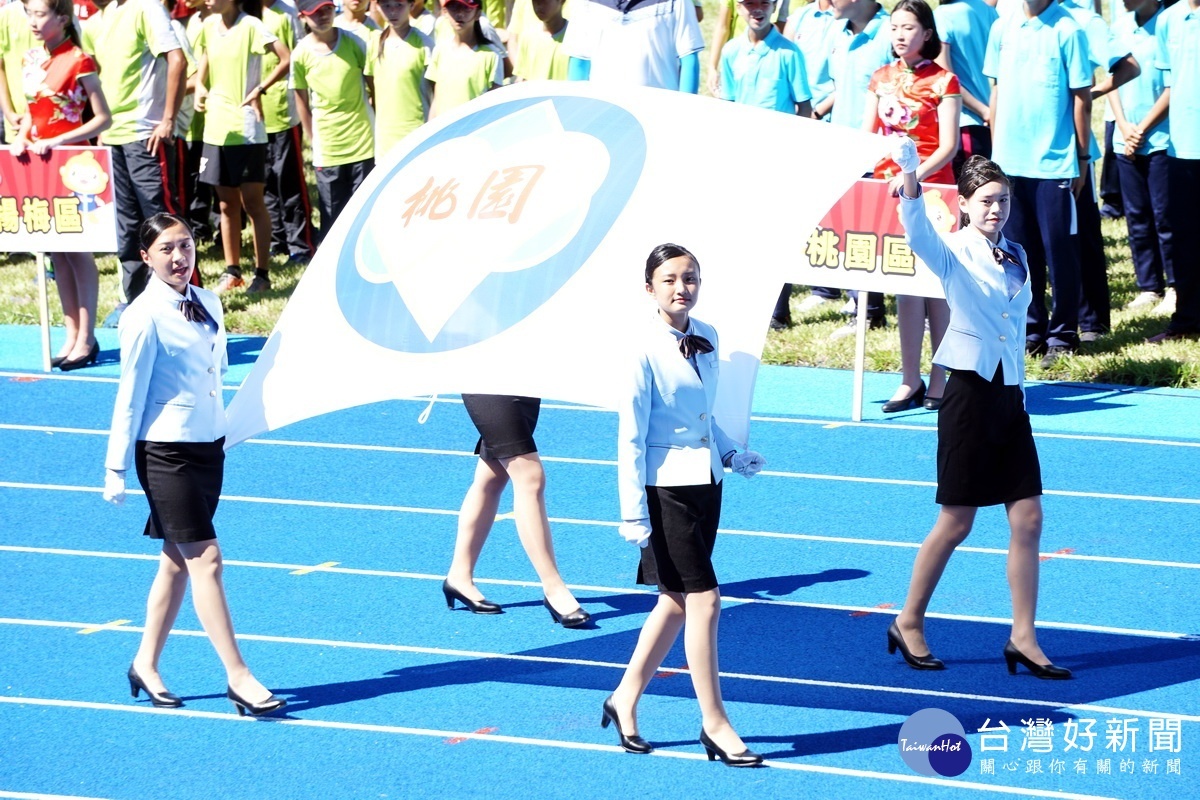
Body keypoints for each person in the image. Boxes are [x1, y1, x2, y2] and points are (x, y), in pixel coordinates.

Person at [887, 137, 1071, 680]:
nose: (996, 209)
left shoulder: (1014, 252)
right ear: (965, 203)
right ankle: (909, 621)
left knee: (1029, 517)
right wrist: (912, 177)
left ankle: (1023, 637)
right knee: (957, 521)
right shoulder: (952, 249)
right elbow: (915, 229)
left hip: (1010, 394)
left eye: (1003, 201)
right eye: (986, 200)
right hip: (967, 394)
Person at [104, 213, 288, 716]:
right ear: (145, 257)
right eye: (166, 249)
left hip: (209, 446)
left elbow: (217, 371)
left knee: (175, 560)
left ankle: (145, 662)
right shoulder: (142, 316)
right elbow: (130, 395)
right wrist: (115, 467)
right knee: (205, 558)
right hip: (165, 451)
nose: (179, 257)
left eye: (184, 246)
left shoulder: (207, 302)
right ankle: (239, 676)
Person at [605, 243, 767, 765]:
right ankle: (715, 723)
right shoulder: (639, 348)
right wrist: (631, 511)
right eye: (670, 279)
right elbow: (630, 435)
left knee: (674, 601)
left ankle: (624, 698)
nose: (682, 287)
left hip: (707, 482)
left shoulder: (709, 336)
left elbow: (702, 415)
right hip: (664, 490)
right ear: (649, 287)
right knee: (705, 600)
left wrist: (730, 453)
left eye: (690, 278)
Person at [983, 0, 1092, 368]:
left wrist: (1081, 157)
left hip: (1055, 162)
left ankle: (1063, 334)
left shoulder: (1069, 29)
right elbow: (995, 92)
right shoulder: (1003, 26)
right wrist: (996, 155)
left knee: (1059, 249)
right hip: (1010, 161)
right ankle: (1029, 328)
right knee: (1016, 252)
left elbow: (1082, 98)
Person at [865, 0, 960, 411]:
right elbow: (868, 137)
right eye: (895, 27)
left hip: (934, 192)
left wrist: (912, 177)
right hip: (887, 192)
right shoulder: (880, 78)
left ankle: (940, 377)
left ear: (927, 32)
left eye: (909, 27)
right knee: (904, 289)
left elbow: (949, 145)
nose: (900, 34)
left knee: (936, 288)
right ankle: (909, 380)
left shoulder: (945, 81)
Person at [9, 0, 112, 371]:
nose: (33, 21)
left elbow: (103, 119)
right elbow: (33, 112)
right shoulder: (30, 60)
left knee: (78, 251)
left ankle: (87, 337)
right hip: (39, 165)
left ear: (63, 19)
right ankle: (70, 334)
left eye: (40, 14)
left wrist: (58, 140)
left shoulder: (79, 60)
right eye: (30, 13)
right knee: (56, 253)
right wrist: (22, 135)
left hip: (76, 165)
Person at [444, 395, 590, 627]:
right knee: (529, 477)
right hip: (486, 378)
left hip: (522, 376)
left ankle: (459, 576)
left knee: (493, 475)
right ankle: (554, 588)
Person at [82, 0, 186, 311]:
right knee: (126, 227)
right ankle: (135, 302)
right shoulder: (94, 22)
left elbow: (178, 60)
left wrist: (168, 118)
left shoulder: (146, 7)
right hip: (113, 138)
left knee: (163, 223)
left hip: (145, 134)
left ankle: (183, 302)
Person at [719, 0, 810, 331]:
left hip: (780, 159)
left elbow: (804, 106)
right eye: (748, 3)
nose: (756, 9)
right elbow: (727, 106)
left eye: (764, 2)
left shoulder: (789, 53)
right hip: (744, 157)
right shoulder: (731, 51)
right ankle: (742, 304)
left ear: (774, 6)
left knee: (778, 233)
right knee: (742, 231)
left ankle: (778, 309)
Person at [194, 0, 290, 295]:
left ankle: (262, 274)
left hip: (248, 129)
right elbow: (207, 55)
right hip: (216, 128)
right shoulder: (208, 26)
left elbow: (286, 58)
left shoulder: (251, 25)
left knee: (253, 203)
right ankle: (232, 271)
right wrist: (199, 84)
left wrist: (259, 90)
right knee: (225, 204)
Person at [1109, 0, 1173, 315]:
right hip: (1126, 138)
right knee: (1136, 216)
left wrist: (1142, 129)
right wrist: (1123, 127)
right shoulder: (1119, 25)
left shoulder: (1169, 23)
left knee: (1166, 216)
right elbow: (1114, 81)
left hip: (1162, 139)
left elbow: (1174, 87)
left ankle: (1175, 284)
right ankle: (1148, 285)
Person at [293, 0, 375, 231]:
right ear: (303, 16)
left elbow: (373, 87)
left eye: (327, 10)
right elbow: (301, 100)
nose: (323, 16)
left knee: (365, 217)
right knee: (333, 221)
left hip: (363, 144)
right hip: (328, 150)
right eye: (315, 13)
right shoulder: (300, 54)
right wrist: (313, 138)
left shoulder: (355, 43)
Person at [1146, 0, 1200, 343]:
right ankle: (1187, 319)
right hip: (1181, 145)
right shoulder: (1168, 18)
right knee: (1184, 237)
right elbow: (1170, 85)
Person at [262, 0, 316, 264]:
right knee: (267, 185)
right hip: (256, 117)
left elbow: (298, 57)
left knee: (290, 183)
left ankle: (301, 244)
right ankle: (277, 240)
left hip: (284, 113)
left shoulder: (287, 14)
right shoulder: (245, 14)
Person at [563, 0, 704, 93]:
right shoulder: (584, 3)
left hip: (660, 116)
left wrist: (686, 114)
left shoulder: (677, 2)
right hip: (604, 116)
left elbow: (689, 60)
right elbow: (579, 63)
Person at [932, 0, 998, 175]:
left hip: (964, 123)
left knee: (964, 196)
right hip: (992, 124)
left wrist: (984, 111)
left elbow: (945, 78)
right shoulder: (989, 11)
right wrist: (992, 112)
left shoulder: (942, 15)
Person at [366, 0, 433, 162]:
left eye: (399, 5)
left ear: (411, 5)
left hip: (417, 133)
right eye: (386, 6)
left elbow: (436, 92)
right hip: (385, 139)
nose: (393, 11)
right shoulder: (373, 44)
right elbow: (372, 87)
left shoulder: (425, 44)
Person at [426, 0, 504, 117]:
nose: (459, 14)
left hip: (473, 130)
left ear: (477, 14)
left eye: (467, 8)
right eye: (454, 7)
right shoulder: (440, 50)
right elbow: (437, 101)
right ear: (445, 12)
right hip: (444, 132)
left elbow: (495, 106)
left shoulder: (491, 55)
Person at [511, 0, 568, 81]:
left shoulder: (574, 37)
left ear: (561, 1)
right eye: (535, 1)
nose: (539, 6)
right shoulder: (528, 37)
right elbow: (522, 79)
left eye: (544, 1)